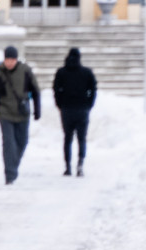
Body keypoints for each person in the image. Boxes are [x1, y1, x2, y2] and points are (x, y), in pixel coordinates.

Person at [0, 45, 41, 184]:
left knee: (22, 142)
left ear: (16, 59)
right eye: (7, 59)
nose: (9, 62)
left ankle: (13, 166)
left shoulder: (25, 70)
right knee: (9, 144)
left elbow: (36, 90)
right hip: (5, 114)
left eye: (12, 59)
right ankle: (10, 174)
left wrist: (37, 110)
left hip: (22, 113)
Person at [51, 47, 96, 177]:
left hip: (66, 109)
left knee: (67, 138)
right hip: (82, 109)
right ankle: (80, 164)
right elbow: (93, 89)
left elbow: (56, 89)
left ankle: (68, 167)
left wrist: (60, 104)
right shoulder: (86, 72)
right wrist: (89, 104)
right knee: (82, 138)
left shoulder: (61, 72)